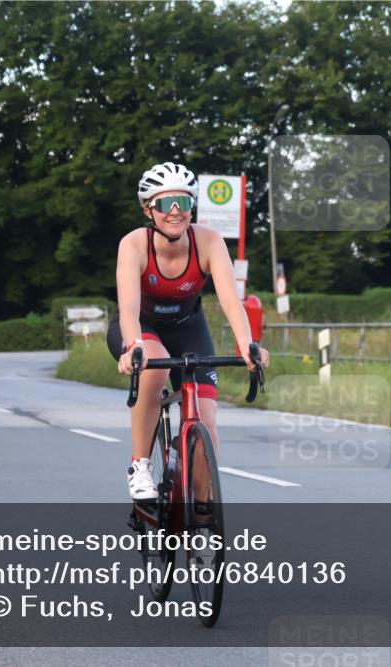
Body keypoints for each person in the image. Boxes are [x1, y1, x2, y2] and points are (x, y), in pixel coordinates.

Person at [107, 161, 269, 500]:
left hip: (188, 328)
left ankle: (205, 519)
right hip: (141, 327)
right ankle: (139, 466)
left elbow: (230, 300)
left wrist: (247, 345)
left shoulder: (208, 241)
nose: (175, 211)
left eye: (183, 201)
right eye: (165, 203)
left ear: (192, 206)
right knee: (154, 365)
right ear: (148, 210)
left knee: (205, 421)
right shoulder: (134, 244)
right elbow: (129, 308)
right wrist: (133, 346)